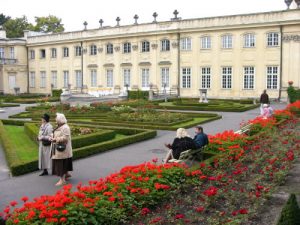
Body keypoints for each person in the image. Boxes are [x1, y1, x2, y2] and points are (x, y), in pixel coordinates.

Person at [50, 113, 73, 186]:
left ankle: (62, 180)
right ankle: (66, 174)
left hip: (62, 149)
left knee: (60, 164)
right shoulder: (60, 126)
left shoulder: (65, 127)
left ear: (60, 120)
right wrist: (52, 136)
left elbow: (66, 138)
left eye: (56, 119)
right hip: (58, 148)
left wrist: (55, 139)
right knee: (63, 163)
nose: (55, 120)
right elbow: (57, 134)